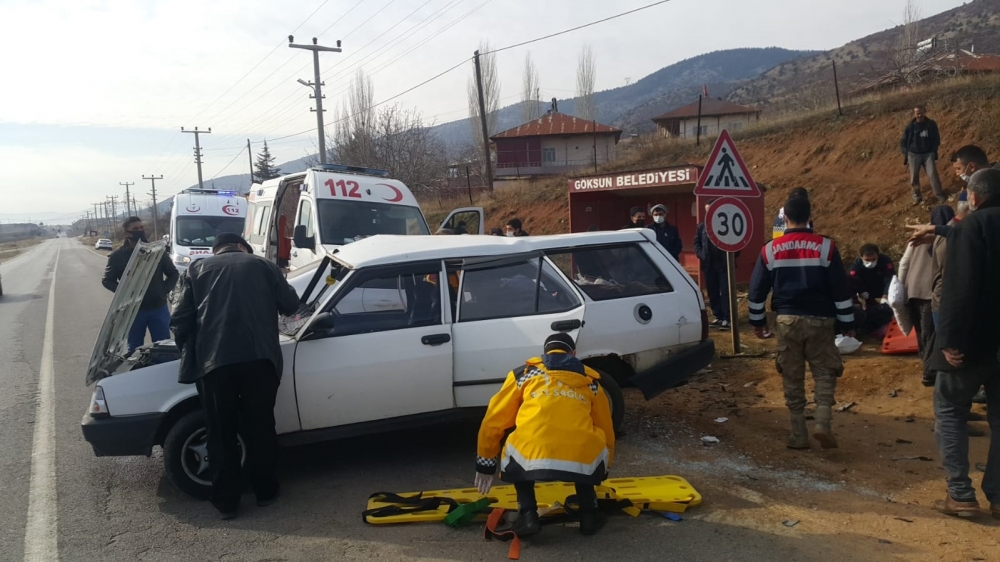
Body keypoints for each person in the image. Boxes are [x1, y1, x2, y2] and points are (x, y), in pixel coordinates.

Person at [170, 232, 300, 519]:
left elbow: (179, 319)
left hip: (214, 365)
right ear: (242, 247)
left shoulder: (194, 269)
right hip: (260, 360)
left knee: (220, 431)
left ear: (216, 250)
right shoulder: (264, 266)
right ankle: (265, 491)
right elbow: (292, 305)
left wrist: (190, 353)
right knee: (261, 426)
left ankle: (226, 502)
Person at [474, 333, 615, 537]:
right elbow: (606, 428)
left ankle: (529, 514)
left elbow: (493, 420)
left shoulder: (524, 374)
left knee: (518, 443)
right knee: (589, 444)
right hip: (580, 458)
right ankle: (589, 515)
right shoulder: (591, 382)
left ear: (545, 352)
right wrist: (604, 465)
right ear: (573, 353)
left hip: (530, 455)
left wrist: (485, 463)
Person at [748, 196, 855, 450]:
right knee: (825, 371)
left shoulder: (769, 249)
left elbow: (756, 291)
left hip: (787, 321)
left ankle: (798, 435)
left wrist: (757, 322)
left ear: (784, 218)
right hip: (821, 319)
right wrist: (848, 323)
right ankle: (822, 422)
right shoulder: (826, 247)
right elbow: (840, 289)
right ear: (810, 216)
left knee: (792, 375)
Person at [926, 168, 1000, 519]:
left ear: (974, 196)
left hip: (972, 344)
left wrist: (950, 340)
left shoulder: (971, 228)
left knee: (950, 409)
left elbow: (959, 288)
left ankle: (961, 494)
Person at [102, 216, 179, 354]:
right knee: (134, 349)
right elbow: (107, 280)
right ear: (126, 233)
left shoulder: (156, 251)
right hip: (133, 310)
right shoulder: (117, 256)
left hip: (158, 308)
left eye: (141, 227)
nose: (140, 230)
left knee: (163, 347)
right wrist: (124, 292)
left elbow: (173, 273)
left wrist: (164, 290)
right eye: (135, 229)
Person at [899, 206, 953, 387]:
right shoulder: (948, 234)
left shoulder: (921, 231)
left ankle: (926, 364)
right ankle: (929, 372)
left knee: (922, 332)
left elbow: (904, 263)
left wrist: (901, 289)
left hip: (913, 289)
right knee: (931, 334)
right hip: (932, 292)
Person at [694, 201, 730, 330]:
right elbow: (696, 243)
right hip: (709, 265)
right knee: (712, 292)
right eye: (707, 210)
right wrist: (702, 254)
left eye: (711, 210)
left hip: (724, 265)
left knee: (726, 292)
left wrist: (731, 257)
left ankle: (727, 318)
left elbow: (736, 242)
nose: (709, 213)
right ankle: (718, 316)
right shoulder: (702, 227)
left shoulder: (726, 225)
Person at [900, 105, 945, 205]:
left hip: (928, 154)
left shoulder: (931, 124)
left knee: (933, 175)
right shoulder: (910, 127)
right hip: (913, 155)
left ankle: (939, 195)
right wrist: (906, 153)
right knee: (914, 178)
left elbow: (936, 138)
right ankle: (917, 196)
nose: (919, 115)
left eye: (921, 113)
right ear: (914, 114)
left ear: (925, 112)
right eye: (917, 113)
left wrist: (933, 150)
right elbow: (903, 141)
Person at [848, 244, 895, 338]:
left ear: (878, 256)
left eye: (873, 259)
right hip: (866, 289)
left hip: (882, 286)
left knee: (887, 308)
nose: (870, 262)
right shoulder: (856, 265)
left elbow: (890, 279)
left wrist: (886, 295)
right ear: (861, 257)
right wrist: (860, 293)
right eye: (867, 260)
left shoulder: (885, 261)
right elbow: (852, 282)